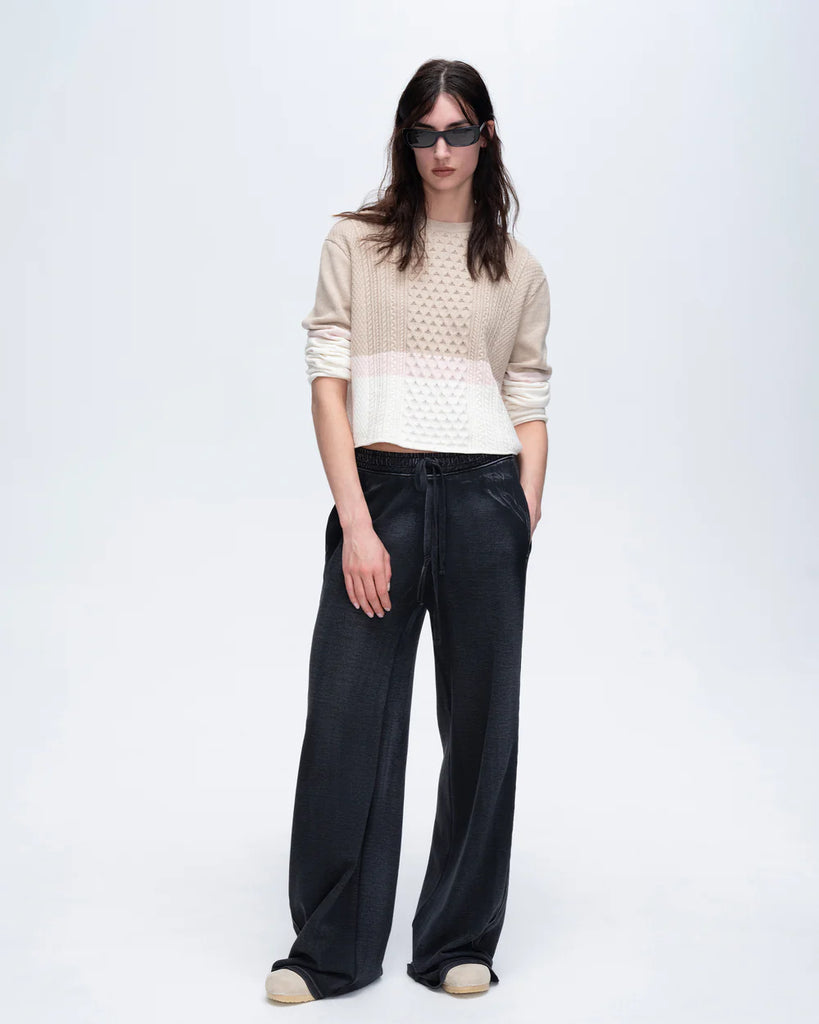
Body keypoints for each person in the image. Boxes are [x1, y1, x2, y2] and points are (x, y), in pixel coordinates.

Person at [265, 58, 552, 1004]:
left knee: (481, 730)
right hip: (380, 494)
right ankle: (329, 950)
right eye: (424, 133)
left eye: (458, 132)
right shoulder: (355, 243)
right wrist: (355, 520)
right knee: (347, 722)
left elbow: (527, 394)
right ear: (404, 138)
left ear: (486, 138)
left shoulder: (517, 268)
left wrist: (522, 510)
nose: (441, 151)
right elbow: (328, 383)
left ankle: (457, 940)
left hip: (483, 500)